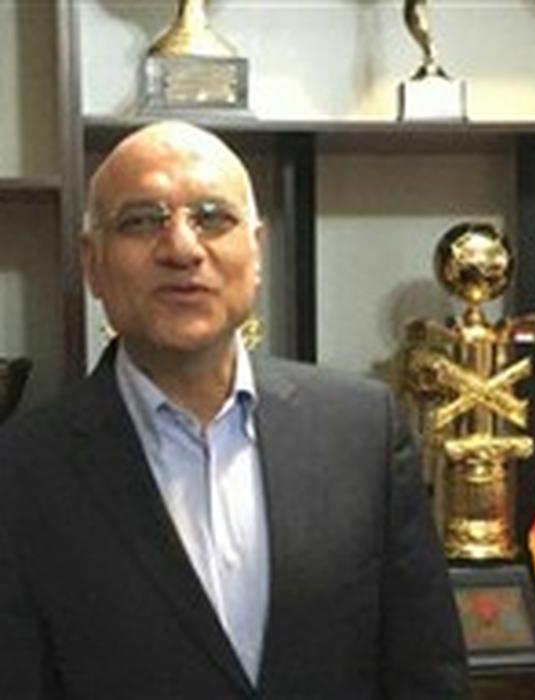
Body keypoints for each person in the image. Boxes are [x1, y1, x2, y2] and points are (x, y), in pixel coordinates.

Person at [0, 121, 468, 699]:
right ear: (93, 263)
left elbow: (426, 675)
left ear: (257, 251)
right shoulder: (21, 472)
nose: (182, 249)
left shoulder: (362, 432)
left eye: (212, 218)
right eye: (141, 220)